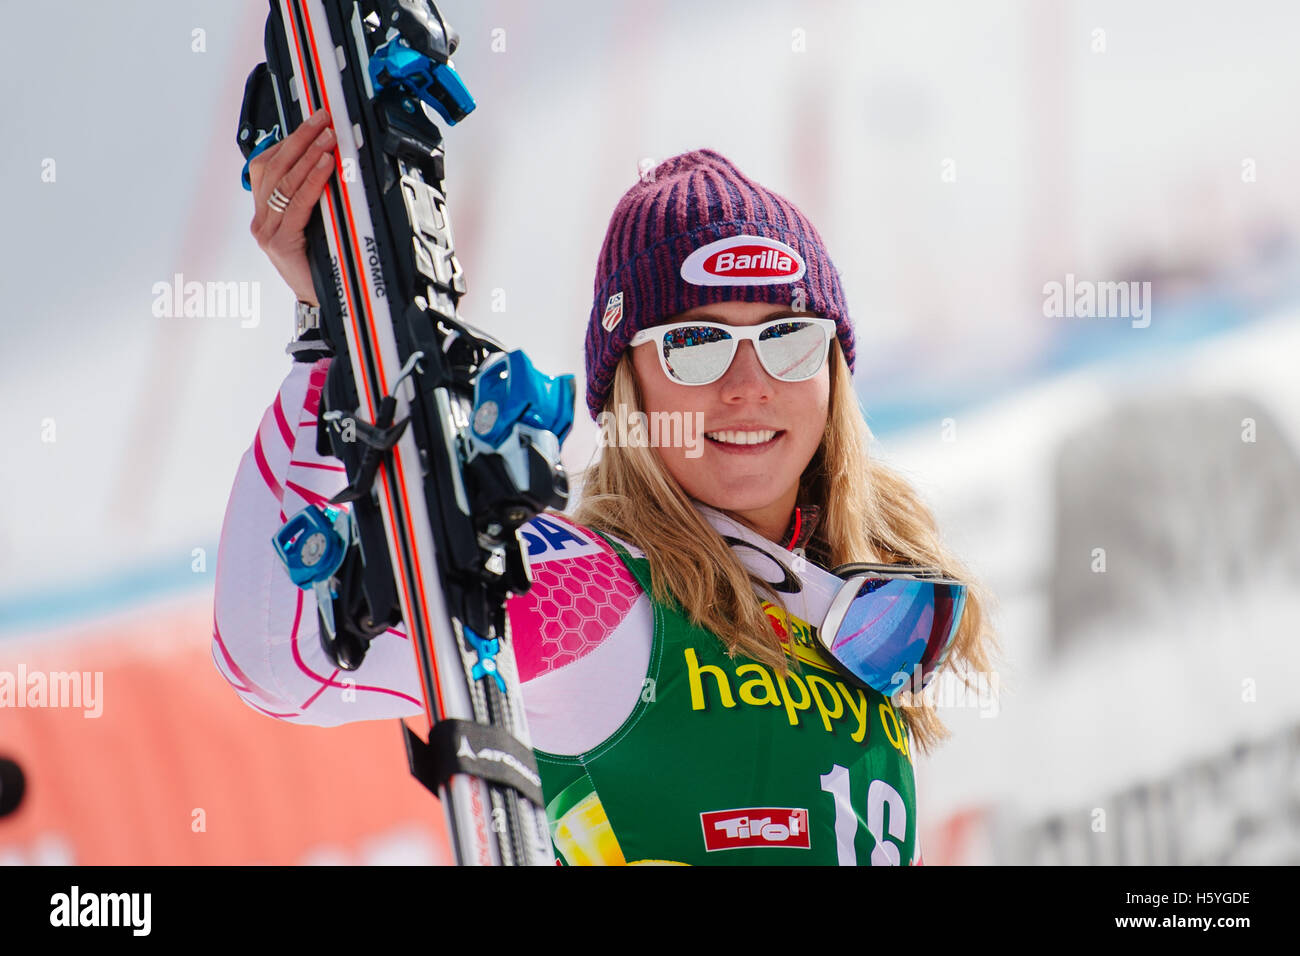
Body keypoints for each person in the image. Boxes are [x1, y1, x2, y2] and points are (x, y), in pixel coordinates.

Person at [215, 114, 998, 865]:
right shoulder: (592, 595)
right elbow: (279, 659)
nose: (750, 385)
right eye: (694, 344)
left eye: (789, 337)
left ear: (832, 373)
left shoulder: (872, 624)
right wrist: (328, 335)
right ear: (629, 392)